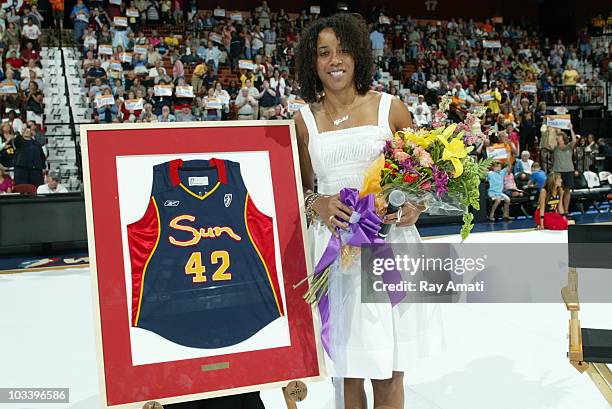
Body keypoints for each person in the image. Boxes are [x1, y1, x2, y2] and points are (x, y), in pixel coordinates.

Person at [294, 13, 439, 409]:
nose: (334, 60)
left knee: (391, 368)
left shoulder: (391, 110)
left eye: (342, 51)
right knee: (348, 371)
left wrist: (414, 207)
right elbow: (299, 190)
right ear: (313, 62)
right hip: (335, 253)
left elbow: (420, 180)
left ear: (358, 55)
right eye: (324, 53)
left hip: (390, 246)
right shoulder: (302, 120)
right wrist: (317, 203)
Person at [551, 125, 576, 218]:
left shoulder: (569, 147)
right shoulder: (555, 147)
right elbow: (550, 142)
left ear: (563, 138)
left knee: (567, 191)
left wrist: (571, 129)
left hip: (568, 171)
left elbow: (574, 140)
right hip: (558, 172)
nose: (558, 137)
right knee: (558, 191)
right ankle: (558, 210)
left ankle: (566, 210)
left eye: (559, 136)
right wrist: (553, 129)